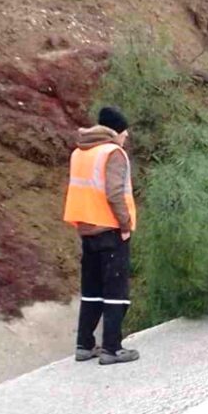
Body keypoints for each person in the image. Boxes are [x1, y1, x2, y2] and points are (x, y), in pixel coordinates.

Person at [63, 106, 140, 365]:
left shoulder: (80, 152)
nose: (126, 138)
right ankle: (112, 348)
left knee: (92, 289)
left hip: (86, 229)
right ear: (115, 131)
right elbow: (115, 193)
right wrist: (126, 224)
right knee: (116, 289)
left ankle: (84, 345)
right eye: (124, 133)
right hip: (110, 229)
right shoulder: (113, 153)